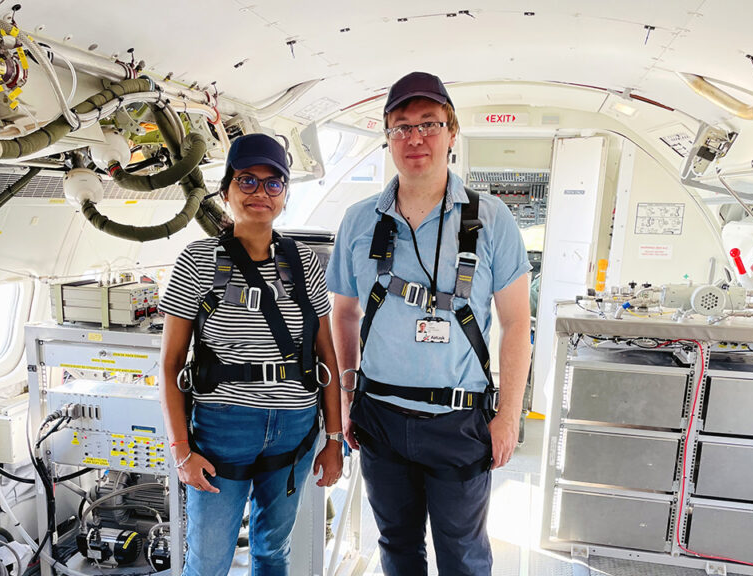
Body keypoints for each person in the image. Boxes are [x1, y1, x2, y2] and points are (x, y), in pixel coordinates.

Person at [327, 71, 532, 575]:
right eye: (401, 126)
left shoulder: (491, 220)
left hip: (459, 424)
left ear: (452, 132)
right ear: (388, 138)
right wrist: (348, 397)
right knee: (396, 547)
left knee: (462, 554)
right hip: (380, 418)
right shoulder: (358, 221)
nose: (415, 137)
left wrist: (507, 416)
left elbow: (516, 325)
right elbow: (344, 315)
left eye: (429, 123)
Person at [159, 133, 344, 576]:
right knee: (207, 560)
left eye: (273, 183)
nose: (260, 192)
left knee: (271, 553)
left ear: (284, 196)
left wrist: (334, 440)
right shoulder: (196, 261)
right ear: (226, 192)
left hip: (295, 428)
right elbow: (169, 367)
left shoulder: (305, 264)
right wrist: (181, 451)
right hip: (223, 427)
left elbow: (327, 358)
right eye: (247, 180)